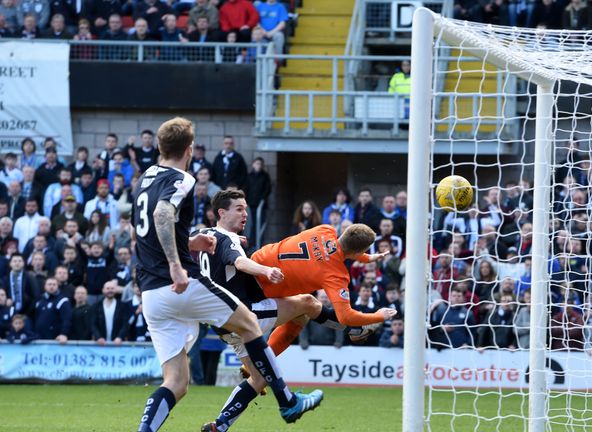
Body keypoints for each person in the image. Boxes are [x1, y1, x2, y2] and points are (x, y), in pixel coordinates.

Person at [133, 117, 322, 432]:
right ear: (190, 149)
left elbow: (142, 231)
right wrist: (177, 265)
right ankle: (288, 401)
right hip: (182, 283)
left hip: (151, 294)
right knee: (249, 324)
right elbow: (162, 214)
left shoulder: (144, 180)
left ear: (159, 146)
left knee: (176, 382)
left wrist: (190, 242)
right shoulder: (182, 178)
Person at [202, 222, 396, 432]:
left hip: (255, 266)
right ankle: (354, 332)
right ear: (359, 250)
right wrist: (377, 315)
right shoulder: (336, 274)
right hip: (259, 288)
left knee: (263, 372)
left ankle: (220, 425)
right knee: (308, 304)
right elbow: (345, 315)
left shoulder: (325, 230)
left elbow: (341, 248)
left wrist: (367, 258)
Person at [199, 188, 342, 431]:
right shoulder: (227, 239)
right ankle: (348, 327)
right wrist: (265, 271)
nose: (245, 214)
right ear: (221, 213)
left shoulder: (201, 235)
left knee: (258, 378)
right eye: (239, 209)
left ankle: (220, 425)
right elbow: (239, 261)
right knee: (306, 303)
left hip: (221, 323)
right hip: (243, 314)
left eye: (246, 208)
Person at [34, 277, 72, 343]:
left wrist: (63, 334)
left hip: (55, 339)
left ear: (57, 286)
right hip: (39, 337)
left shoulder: (62, 300)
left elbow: (67, 319)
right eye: (49, 284)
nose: (52, 286)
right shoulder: (39, 300)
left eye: (54, 284)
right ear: (45, 286)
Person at [244, 157, 271, 247]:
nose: (258, 166)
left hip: (260, 206)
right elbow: (246, 189)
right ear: (253, 165)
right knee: (251, 226)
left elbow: (267, 189)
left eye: (260, 164)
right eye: (256, 163)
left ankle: (259, 244)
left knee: (260, 226)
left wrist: (262, 199)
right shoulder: (249, 176)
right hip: (250, 205)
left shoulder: (265, 176)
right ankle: (251, 245)